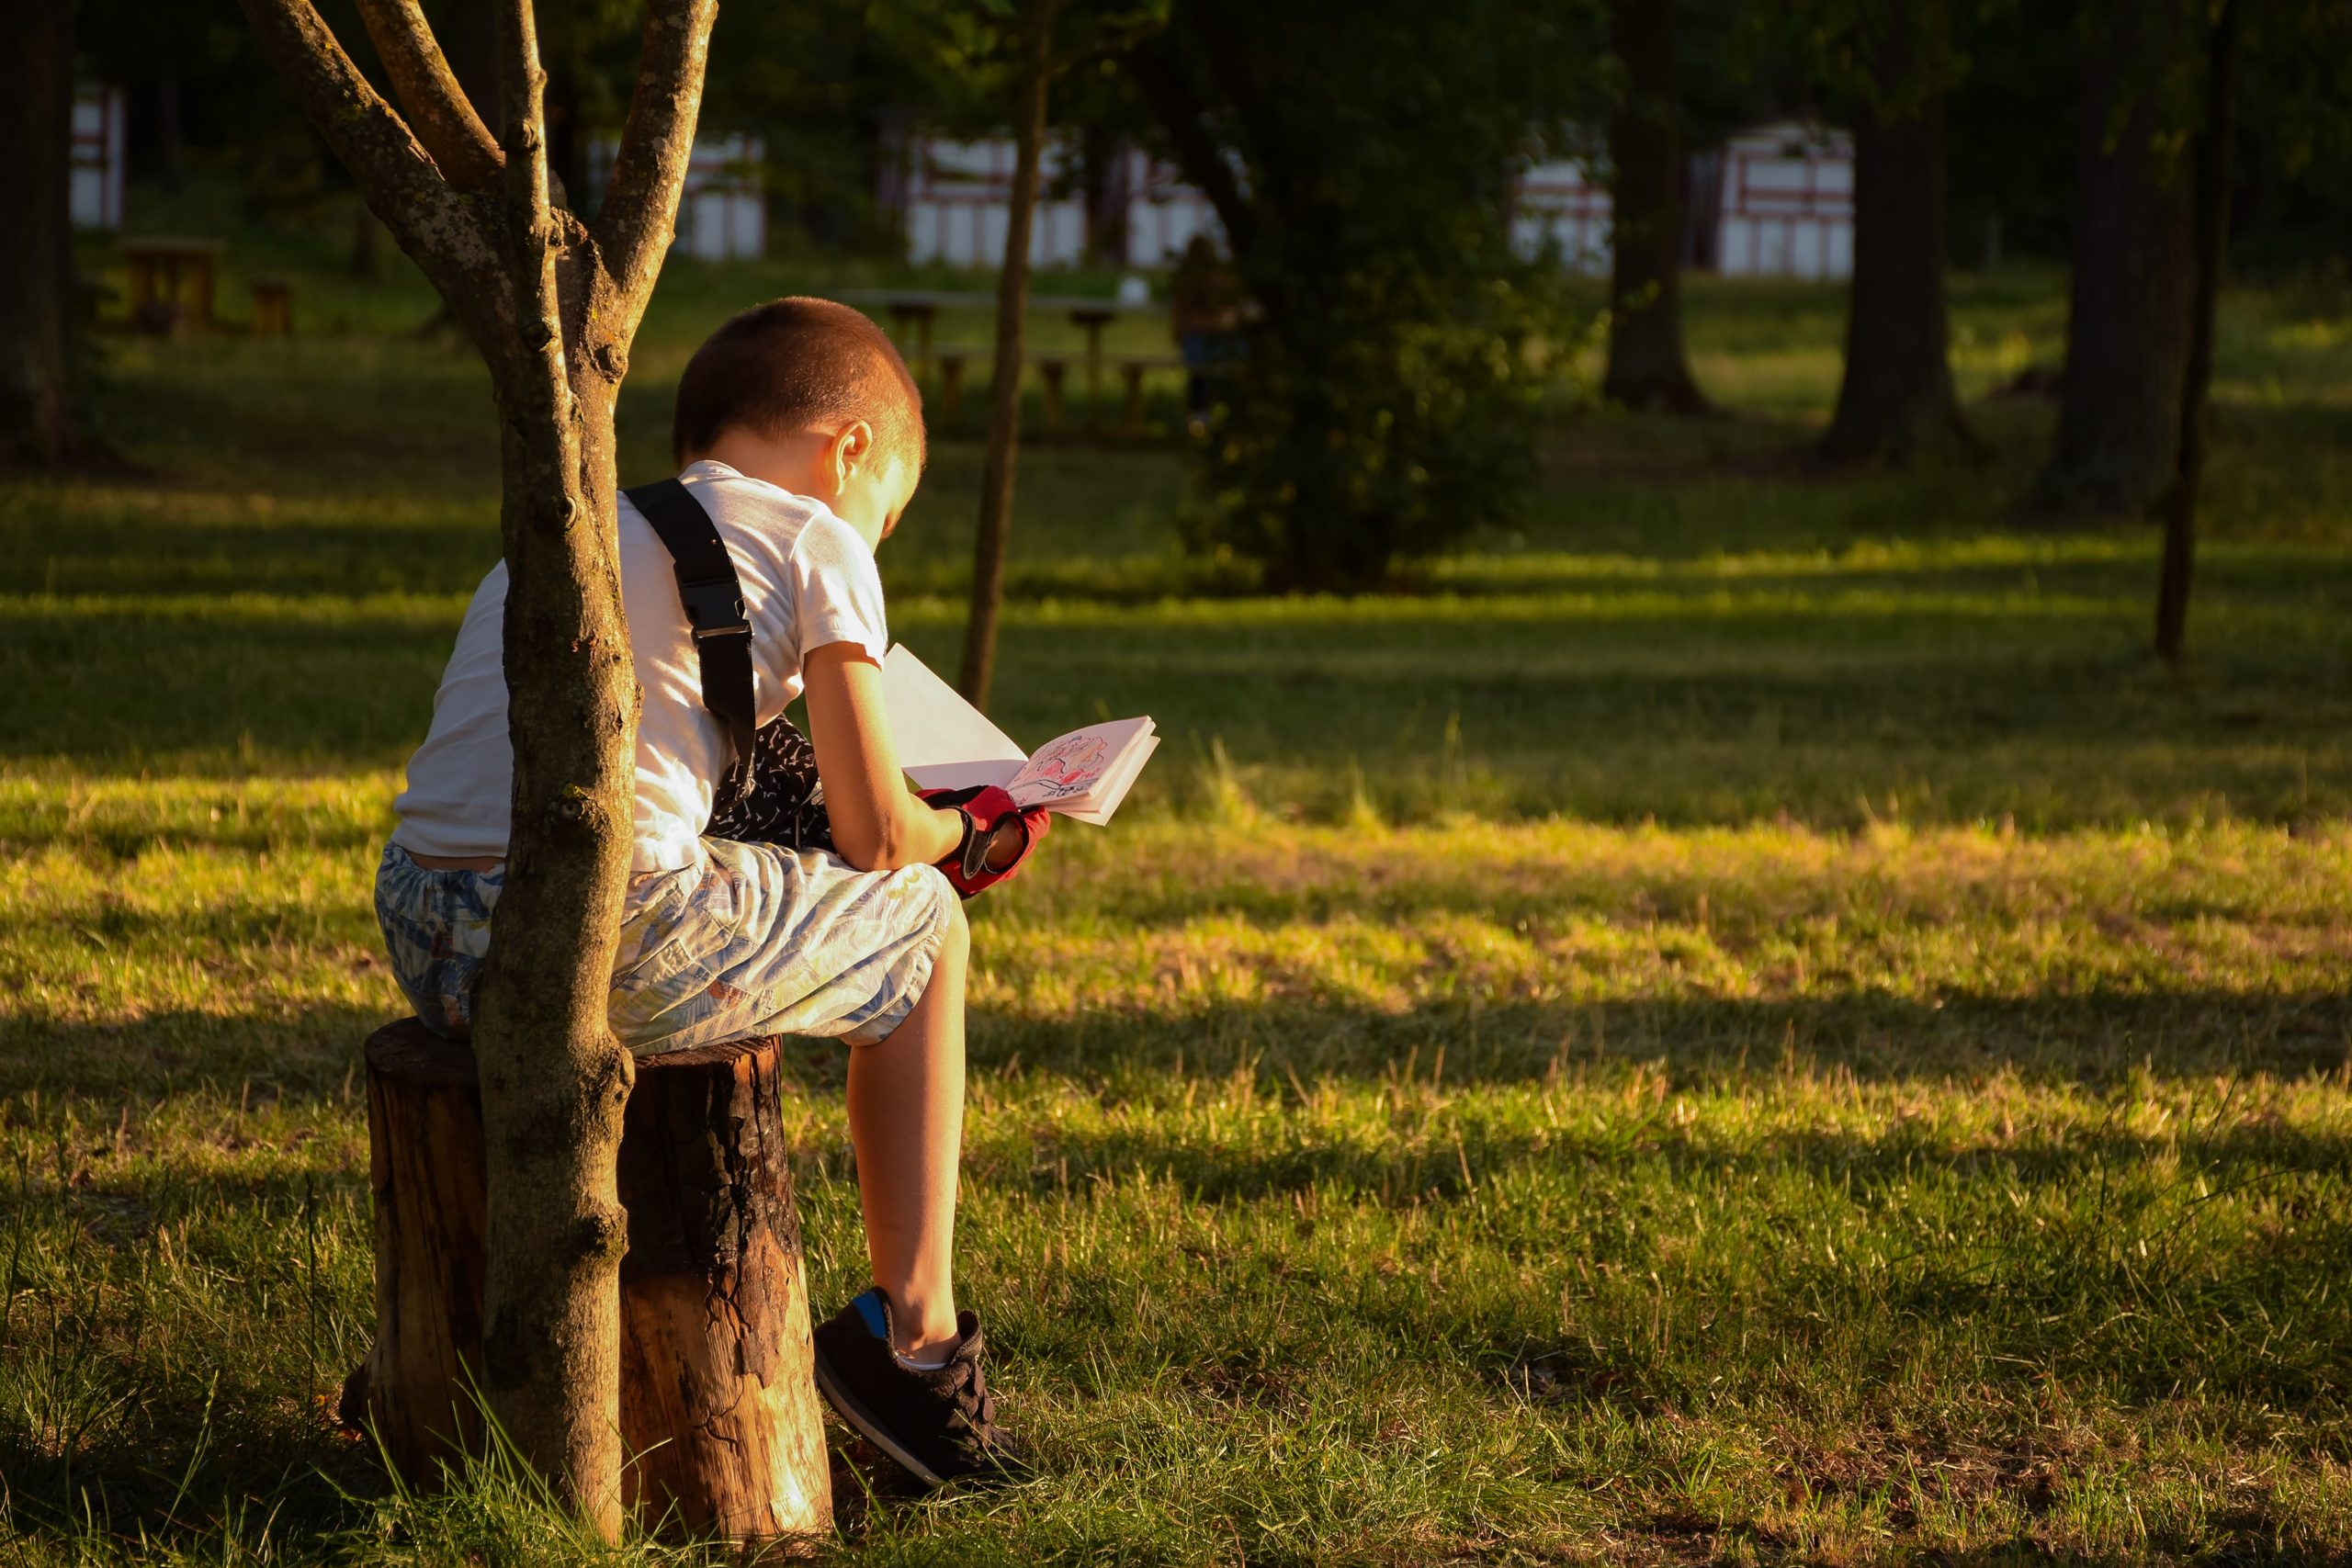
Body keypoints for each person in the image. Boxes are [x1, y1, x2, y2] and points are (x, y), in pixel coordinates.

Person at [371, 297, 1041, 1488]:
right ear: (850, 452)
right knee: (929, 929)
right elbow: (878, 831)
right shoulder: (817, 538)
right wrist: (976, 822)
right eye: (888, 514)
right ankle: (916, 1342)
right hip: (605, 938)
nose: (872, 541)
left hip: (428, 926)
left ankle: (448, 1365)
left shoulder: (588, 524)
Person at [1170, 233, 1245, 428]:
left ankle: (1209, 417)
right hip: (1202, 344)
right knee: (1206, 366)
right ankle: (1207, 419)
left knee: (1218, 364)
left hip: (1209, 343)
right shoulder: (1195, 283)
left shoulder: (1213, 281)